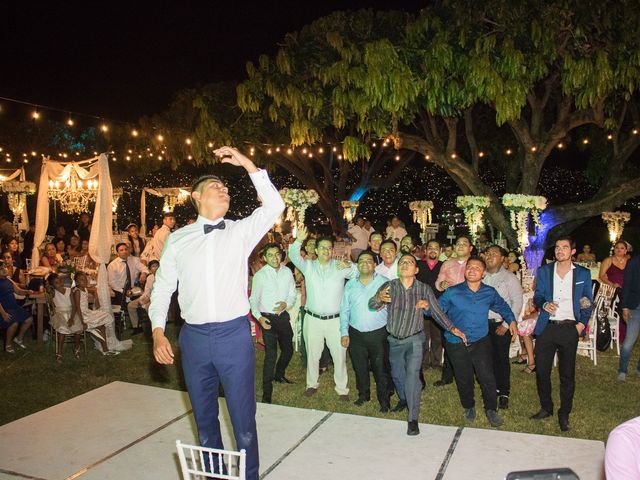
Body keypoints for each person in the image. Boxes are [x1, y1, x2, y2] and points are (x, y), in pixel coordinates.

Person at [150, 146, 284, 480]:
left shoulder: (240, 231)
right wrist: (156, 331)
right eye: (216, 187)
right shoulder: (178, 240)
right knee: (205, 420)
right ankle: (213, 477)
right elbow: (163, 287)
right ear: (197, 197)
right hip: (193, 339)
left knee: (243, 422)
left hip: (233, 336)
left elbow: (275, 205)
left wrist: (247, 164)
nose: (224, 190)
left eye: (226, 188)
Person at [369, 253, 466, 435]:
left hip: (414, 339)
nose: (405, 265)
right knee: (398, 376)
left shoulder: (424, 289)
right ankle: (404, 399)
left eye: (410, 262)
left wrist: (452, 328)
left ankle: (413, 419)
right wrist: (379, 298)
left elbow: (436, 312)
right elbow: (372, 305)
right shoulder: (389, 286)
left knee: (412, 376)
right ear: (398, 269)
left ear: (416, 269)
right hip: (394, 340)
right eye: (402, 262)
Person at [439, 257, 517, 427]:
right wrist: (427, 305)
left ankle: (491, 409)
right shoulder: (453, 292)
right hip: (456, 341)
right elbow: (438, 311)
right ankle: (469, 406)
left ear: (483, 274)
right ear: (465, 271)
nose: (472, 270)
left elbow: (502, 306)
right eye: (470, 267)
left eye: (477, 268)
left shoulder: (489, 292)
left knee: (487, 376)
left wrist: (511, 320)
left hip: (480, 340)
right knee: (464, 376)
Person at [531, 236, 593, 432]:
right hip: (547, 327)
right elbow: (538, 295)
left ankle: (564, 412)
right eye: (557, 247)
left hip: (569, 328)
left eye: (565, 247)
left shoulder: (582, 273)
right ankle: (546, 407)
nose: (560, 251)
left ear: (572, 251)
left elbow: (586, 302)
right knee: (541, 371)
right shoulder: (545, 271)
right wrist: (543, 304)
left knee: (567, 374)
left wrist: (581, 325)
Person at [288, 225, 356, 400]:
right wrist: (298, 240)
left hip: (335, 320)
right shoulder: (308, 267)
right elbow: (293, 256)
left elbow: (358, 274)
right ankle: (312, 384)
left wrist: (350, 264)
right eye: (322, 247)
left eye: (329, 247)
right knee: (313, 353)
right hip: (313, 318)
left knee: (339, 354)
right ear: (316, 250)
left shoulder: (340, 266)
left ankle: (342, 389)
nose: (326, 250)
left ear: (333, 250)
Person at [340, 251, 391, 412]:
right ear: (357, 264)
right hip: (356, 334)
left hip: (379, 334)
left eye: (368, 261)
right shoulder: (350, 284)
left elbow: (392, 308)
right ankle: (363, 395)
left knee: (380, 367)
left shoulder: (385, 283)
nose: (364, 263)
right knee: (359, 367)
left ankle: (384, 401)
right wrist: (344, 332)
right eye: (361, 261)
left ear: (375, 265)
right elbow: (344, 310)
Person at [250, 243, 297, 404]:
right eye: (270, 255)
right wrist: (259, 318)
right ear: (264, 258)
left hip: (282, 316)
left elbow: (292, 293)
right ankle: (267, 392)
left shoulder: (287, 272)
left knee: (288, 349)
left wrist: (287, 303)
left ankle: (279, 374)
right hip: (267, 318)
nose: (274, 258)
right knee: (271, 354)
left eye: (276, 254)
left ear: (281, 254)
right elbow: (253, 300)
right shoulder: (260, 276)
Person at [482, 245, 523, 410]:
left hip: (500, 324)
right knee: (485, 359)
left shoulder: (509, 278)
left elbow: (517, 302)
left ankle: (504, 392)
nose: (490, 256)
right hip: (482, 325)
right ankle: (491, 389)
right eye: (488, 253)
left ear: (502, 259)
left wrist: (506, 324)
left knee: (501, 359)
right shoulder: (481, 275)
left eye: (495, 254)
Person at [434, 235, 473, 387]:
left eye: (464, 243)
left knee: (469, 341)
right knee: (448, 340)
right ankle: (447, 376)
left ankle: (467, 374)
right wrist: (441, 284)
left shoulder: (474, 264)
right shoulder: (447, 263)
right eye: (458, 244)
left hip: (469, 308)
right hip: (449, 309)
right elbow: (438, 282)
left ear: (470, 248)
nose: (461, 246)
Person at [72, 272, 116, 355]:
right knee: (101, 324)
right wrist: (82, 322)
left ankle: (105, 349)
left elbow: (94, 290)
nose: (84, 281)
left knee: (103, 322)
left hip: (87, 312)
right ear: (77, 282)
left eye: (85, 279)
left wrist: (96, 297)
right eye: (81, 280)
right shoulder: (77, 291)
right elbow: (77, 307)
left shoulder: (84, 288)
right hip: (82, 315)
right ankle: (105, 348)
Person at [416, 240, 444, 371]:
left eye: (436, 248)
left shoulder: (444, 266)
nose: (433, 250)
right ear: (425, 251)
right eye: (430, 248)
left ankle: (436, 362)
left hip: (438, 307)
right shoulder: (418, 265)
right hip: (421, 307)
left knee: (437, 336)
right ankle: (423, 362)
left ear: (440, 251)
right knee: (423, 336)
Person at [47, 273, 84, 362]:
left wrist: (72, 318)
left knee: (78, 329)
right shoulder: (53, 292)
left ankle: (76, 347)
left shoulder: (70, 290)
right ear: (53, 286)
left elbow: (74, 306)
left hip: (71, 312)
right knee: (62, 330)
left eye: (59, 280)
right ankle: (59, 352)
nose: (59, 283)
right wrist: (48, 287)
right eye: (56, 283)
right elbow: (48, 292)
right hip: (59, 314)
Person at [599, 240, 630, 344]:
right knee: (618, 309)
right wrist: (612, 284)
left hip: (627, 290)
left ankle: (626, 336)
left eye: (622, 248)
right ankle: (613, 335)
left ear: (626, 250)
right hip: (612, 290)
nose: (619, 250)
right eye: (617, 248)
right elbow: (601, 276)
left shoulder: (630, 261)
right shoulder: (608, 260)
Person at [0, 260, 34, 352]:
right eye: (1, 268)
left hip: (14, 307)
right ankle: (8, 345)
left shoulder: (8, 279)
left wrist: (27, 291)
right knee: (14, 323)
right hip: (4, 310)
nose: (4, 269)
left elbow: (18, 291)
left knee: (29, 319)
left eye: (4, 267)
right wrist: (3, 314)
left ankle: (18, 339)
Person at [619, 250, 640, 381]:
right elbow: (626, 286)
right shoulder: (633, 263)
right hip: (635, 307)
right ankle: (622, 370)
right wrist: (625, 307)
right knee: (628, 343)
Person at [108, 243, 149, 308]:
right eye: (121, 250)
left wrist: (143, 273)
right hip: (119, 290)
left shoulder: (134, 260)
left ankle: (137, 314)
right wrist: (123, 291)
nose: (124, 251)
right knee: (125, 304)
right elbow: (112, 283)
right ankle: (124, 314)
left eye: (126, 249)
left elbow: (144, 268)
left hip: (132, 288)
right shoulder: (112, 265)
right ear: (117, 253)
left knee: (143, 299)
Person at [127, 260, 159, 335]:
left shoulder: (163, 277)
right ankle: (137, 327)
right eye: (153, 266)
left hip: (157, 298)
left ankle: (154, 329)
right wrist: (142, 299)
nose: (156, 268)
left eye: (157, 266)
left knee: (149, 307)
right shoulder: (150, 278)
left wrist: (149, 300)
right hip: (148, 296)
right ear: (150, 269)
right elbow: (147, 291)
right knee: (131, 305)